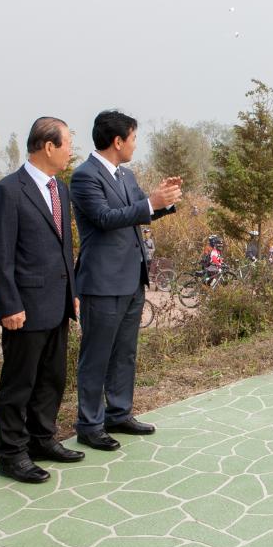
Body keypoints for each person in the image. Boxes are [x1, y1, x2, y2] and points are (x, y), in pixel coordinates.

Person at [71, 110, 182, 451]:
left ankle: (118, 413)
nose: (135, 145)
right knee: (97, 354)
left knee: (124, 353)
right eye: (133, 138)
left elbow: (138, 210)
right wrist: (151, 202)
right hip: (102, 281)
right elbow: (105, 217)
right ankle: (89, 424)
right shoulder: (85, 177)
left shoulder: (126, 175)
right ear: (117, 141)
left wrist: (162, 202)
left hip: (131, 278)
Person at [0, 117, 81, 484]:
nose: (72, 150)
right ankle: (11, 452)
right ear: (48, 146)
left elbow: (64, 247)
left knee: (51, 378)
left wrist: (72, 294)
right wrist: (9, 305)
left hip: (57, 303)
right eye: (68, 143)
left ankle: (42, 439)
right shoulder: (9, 191)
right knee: (19, 382)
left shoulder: (61, 189)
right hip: (24, 307)